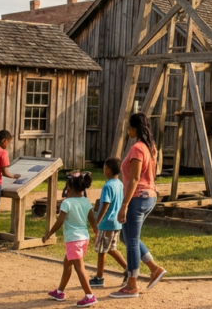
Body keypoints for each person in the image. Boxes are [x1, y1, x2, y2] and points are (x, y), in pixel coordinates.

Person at [110, 113, 167, 299]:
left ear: (134, 129)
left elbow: (134, 178)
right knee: (128, 239)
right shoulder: (150, 147)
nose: (128, 131)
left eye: (129, 127)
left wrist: (124, 204)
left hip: (137, 197)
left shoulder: (137, 149)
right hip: (149, 196)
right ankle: (154, 269)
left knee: (132, 241)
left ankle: (132, 284)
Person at [43, 172, 98, 306]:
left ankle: (89, 295)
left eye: (67, 187)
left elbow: (60, 221)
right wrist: (97, 234)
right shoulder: (86, 201)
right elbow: (92, 221)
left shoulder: (67, 203)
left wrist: (49, 233)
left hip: (74, 240)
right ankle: (60, 291)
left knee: (79, 267)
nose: (66, 190)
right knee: (67, 263)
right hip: (84, 239)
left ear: (72, 188)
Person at [90, 158, 128, 288]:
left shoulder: (107, 185)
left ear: (108, 170)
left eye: (104, 167)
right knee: (111, 248)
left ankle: (99, 278)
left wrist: (97, 221)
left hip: (106, 222)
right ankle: (128, 268)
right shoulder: (120, 184)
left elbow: (105, 203)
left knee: (102, 250)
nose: (103, 170)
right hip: (116, 223)